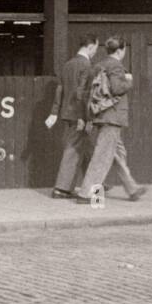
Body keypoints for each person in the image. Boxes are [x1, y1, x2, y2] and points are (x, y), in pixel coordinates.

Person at [75, 36, 147, 203]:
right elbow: (116, 88)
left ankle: (132, 188)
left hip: (101, 114)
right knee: (102, 156)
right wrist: (128, 81)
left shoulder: (98, 65)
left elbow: (84, 91)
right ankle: (86, 194)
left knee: (118, 153)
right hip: (112, 116)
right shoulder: (116, 66)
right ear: (120, 50)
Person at [47, 33, 99, 199]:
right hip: (79, 115)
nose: (95, 53)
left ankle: (96, 184)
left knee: (86, 148)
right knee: (73, 149)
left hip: (68, 113)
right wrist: (86, 118)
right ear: (90, 47)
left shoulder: (68, 65)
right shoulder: (87, 66)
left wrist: (55, 112)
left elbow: (60, 90)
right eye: (95, 49)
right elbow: (81, 94)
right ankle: (61, 188)